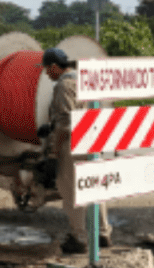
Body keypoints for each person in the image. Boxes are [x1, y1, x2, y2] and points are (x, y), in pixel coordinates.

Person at [38, 47, 113, 254]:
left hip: (73, 145)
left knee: (72, 190)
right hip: (93, 140)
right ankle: (103, 233)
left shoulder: (63, 85)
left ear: (54, 67)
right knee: (96, 187)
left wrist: (53, 153)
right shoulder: (85, 80)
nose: (46, 73)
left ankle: (79, 238)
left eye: (46, 69)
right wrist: (51, 126)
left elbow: (65, 123)